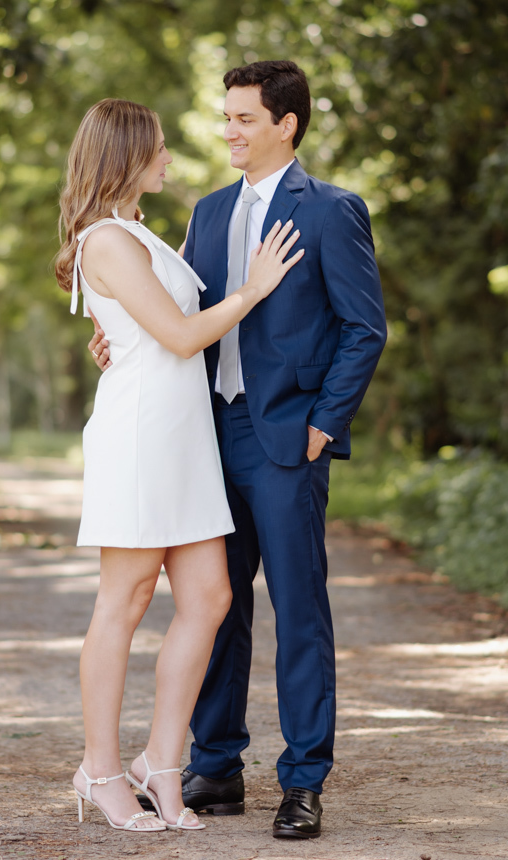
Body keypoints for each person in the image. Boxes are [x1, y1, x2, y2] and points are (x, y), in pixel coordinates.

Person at [89, 61, 387, 839]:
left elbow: (365, 328)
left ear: (286, 124)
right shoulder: (208, 212)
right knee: (214, 605)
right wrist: (114, 336)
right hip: (204, 435)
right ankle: (216, 764)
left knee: (299, 609)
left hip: (288, 437)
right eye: (225, 117)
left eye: (244, 118)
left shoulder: (331, 211)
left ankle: (303, 779)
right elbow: (176, 312)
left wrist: (325, 421)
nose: (228, 130)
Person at [55, 97, 303, 835]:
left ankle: (163, 764)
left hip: (184, 435)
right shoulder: (104, 238)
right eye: (158, 147)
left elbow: (132, 329)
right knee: (124, 600)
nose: (169, 157)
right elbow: (178, 336)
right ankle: (100, 770)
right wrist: (253, 291)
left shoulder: (139, 232)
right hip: (140, 437)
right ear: (128, 154)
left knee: (210, 597)